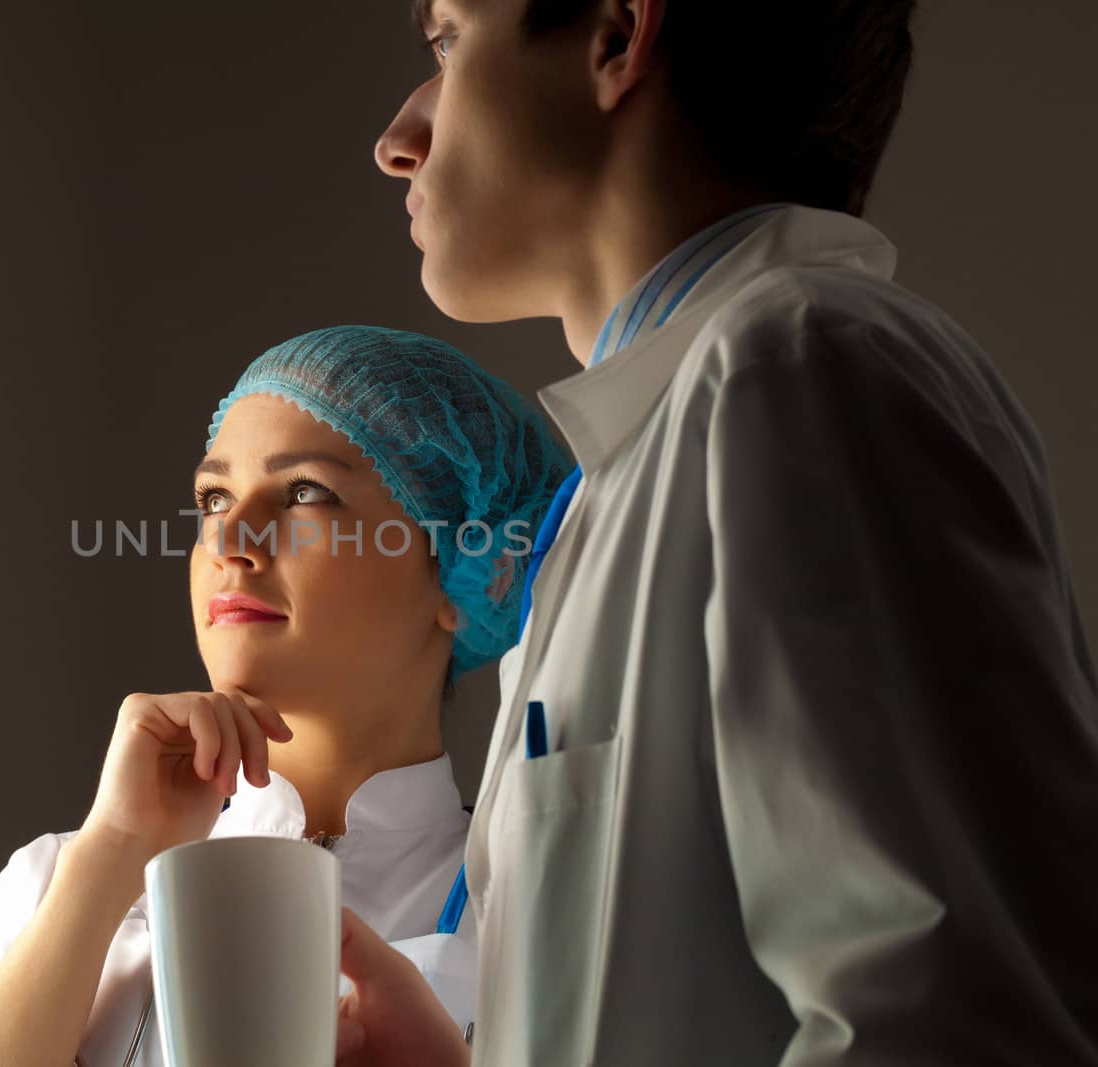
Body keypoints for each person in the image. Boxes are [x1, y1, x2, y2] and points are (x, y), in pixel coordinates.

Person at [336, 1, 1098, 1065]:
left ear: (614, 36)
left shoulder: (803, 365)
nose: (396, 139)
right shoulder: (636, 469)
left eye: (450, 41)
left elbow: (947, 1022)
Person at [0, 326, 568, 1067]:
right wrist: (110, 856)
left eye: (305, 492)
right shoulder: (54, 886)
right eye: (213, 495)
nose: (231, 538)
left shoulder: (553, 910)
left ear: (469, 567)